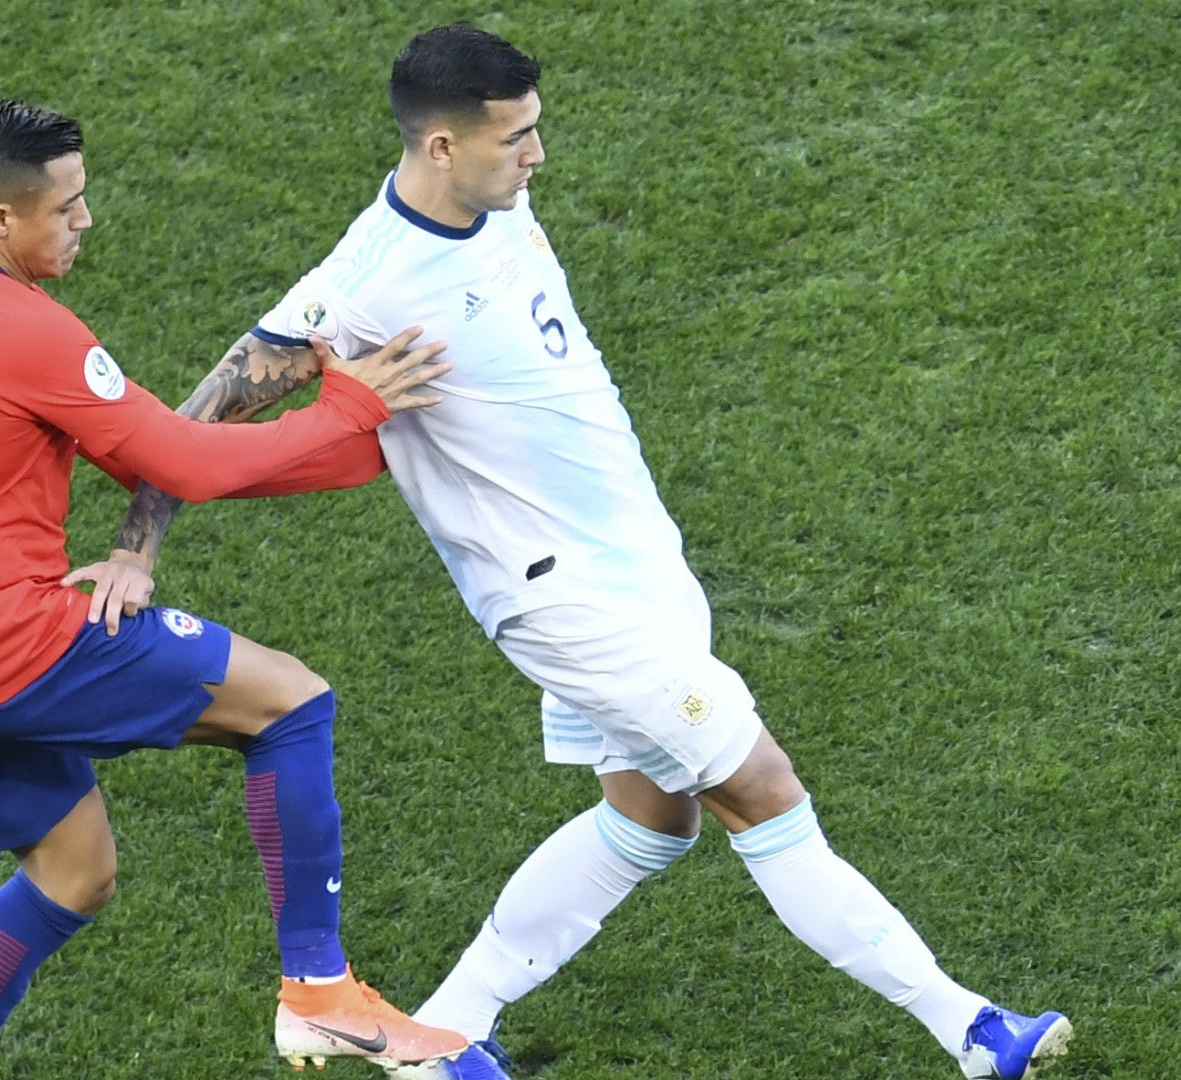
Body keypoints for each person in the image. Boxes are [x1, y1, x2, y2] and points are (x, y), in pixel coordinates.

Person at [92, 27, 1072, 1080]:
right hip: (565, 600)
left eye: (536, 129)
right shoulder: (365, 283)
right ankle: (972, 1031)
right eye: (514, 137)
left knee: (653, 819)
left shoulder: (496, 203)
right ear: (436, 147)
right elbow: (197, 418)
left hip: (640, 565)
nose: (538, 155)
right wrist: (134, 551)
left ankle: (450, 1033)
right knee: (764, 790)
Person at [0, 96, 471, 1077]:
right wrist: (348, 407)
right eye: (65, 207)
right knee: (291, 703)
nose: (85, 221)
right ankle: (318, 990)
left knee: (74, 876)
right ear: (1, 222)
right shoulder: (25, 331)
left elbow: (161, 455)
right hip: (11, 647)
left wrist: (350, 448)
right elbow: (186, 462)